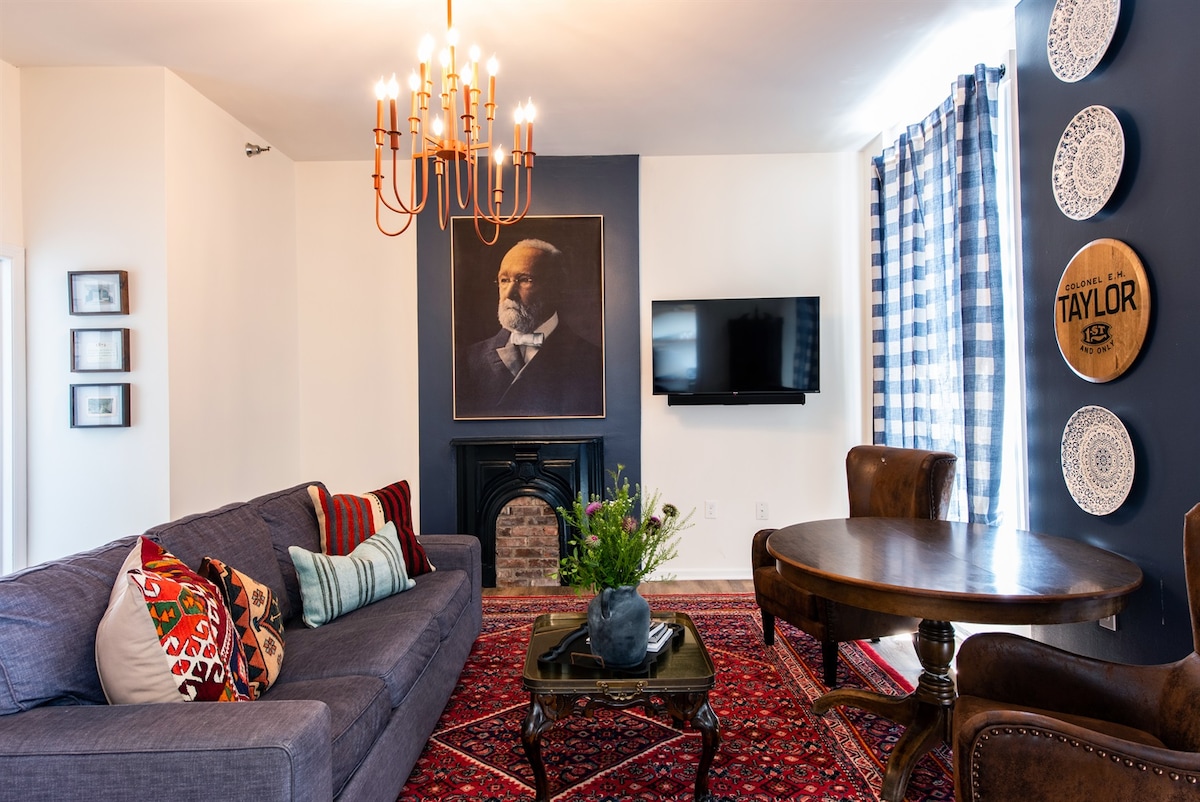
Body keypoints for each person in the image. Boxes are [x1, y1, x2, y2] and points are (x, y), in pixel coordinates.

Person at [457, 238, 604, 418]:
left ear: (556, 287)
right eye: (504, 280)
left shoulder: (593, 361)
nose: (509, 294)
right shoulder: (468, 360)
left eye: (525, 280)